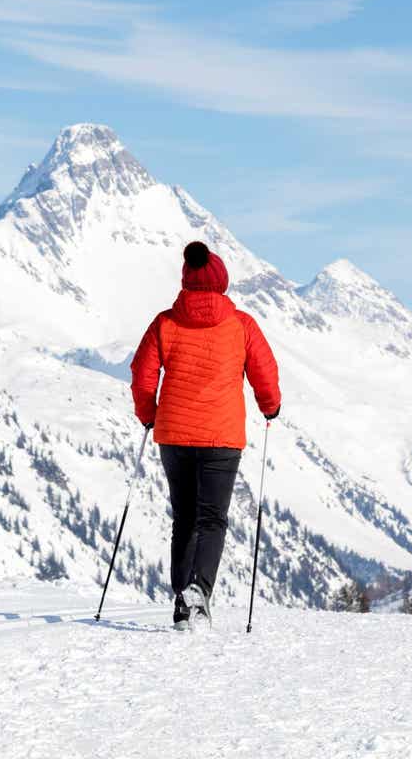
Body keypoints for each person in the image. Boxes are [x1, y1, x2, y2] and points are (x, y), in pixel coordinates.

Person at [130, 241, 281, 628]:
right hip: (221, 438)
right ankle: (199, 591)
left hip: (174, 436)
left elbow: (143, 374)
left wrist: (149, 415)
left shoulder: (164, 323)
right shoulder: (241, 325)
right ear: (221, 282)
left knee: (184, 519)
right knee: (211, 519)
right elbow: (264, 372)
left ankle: (182, 602)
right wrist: (270, 407)